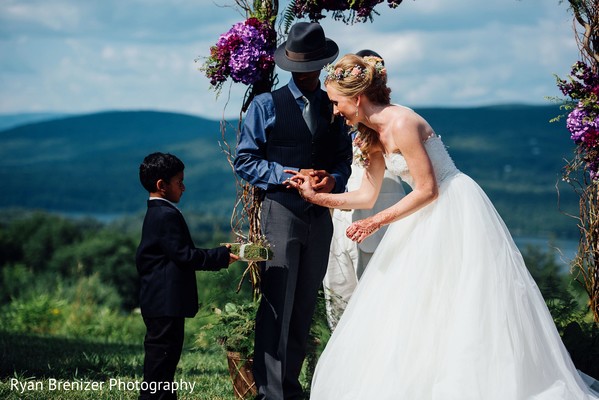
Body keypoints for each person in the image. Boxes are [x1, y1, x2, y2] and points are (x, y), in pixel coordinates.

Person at [287, 54, 599, 399]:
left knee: (463, 298)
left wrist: (377, 221)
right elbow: (365, 195)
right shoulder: (368, 135)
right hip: (419, 214)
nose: (334, 111)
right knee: (413, 303)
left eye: (336, 102)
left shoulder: (402, 123)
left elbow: (428, 189)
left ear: (357, 98)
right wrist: (317, 198)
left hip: (453, 207)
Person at [233, 22, 352, 400]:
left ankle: (290, 385)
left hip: (321, 215)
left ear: (320, 65)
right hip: (280, 211)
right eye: (300, 65)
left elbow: (343, 161)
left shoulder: (333, 107)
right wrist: (286, 176)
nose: (305, 72)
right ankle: (270, 392)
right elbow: (245, 161)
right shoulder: (266, 104)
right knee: (277, 301)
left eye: (311, 65)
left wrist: (331, 180)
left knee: (303, 303)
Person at [136, 152, 238, 400]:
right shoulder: (166, 215)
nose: (184, 186)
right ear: (162, 186)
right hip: (164, 302)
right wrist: (221, 256)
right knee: (161, 363)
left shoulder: (157, 212)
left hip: (160, 302)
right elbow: (185, 256)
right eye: (179, 181)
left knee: (164, 361)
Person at [322, 49, 405, 330]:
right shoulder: (343, 124)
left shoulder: (394, 126)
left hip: (380, 232)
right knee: (339, 307)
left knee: (380, 314)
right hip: (341, 229)